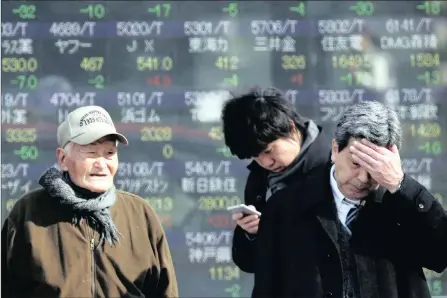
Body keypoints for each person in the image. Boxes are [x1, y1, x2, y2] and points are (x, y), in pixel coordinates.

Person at [253, 101, 447, 298]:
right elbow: (267, 287)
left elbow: (440, 255)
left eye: (374, 168)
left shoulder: (402, 203)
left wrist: (401, 184)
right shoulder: (286, 206)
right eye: (356, 163)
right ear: (336, 150)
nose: (363, 178)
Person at [2, 106, 178, 297]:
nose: (102, 163)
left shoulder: (140, 215)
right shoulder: (29, 214)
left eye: (109, 153)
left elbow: (165, 291)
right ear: (62, 158)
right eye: (91, 153)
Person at [221, 86, 331, 273]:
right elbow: (249, 263)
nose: (266, 162)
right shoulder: (259, 178)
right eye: (256, 156)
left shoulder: (333, 167)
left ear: (291, 127)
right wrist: (251, 234)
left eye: (269, 151)